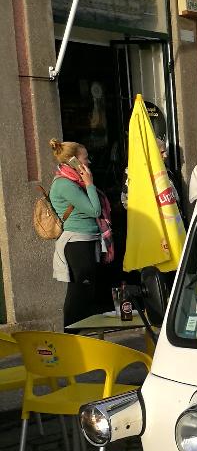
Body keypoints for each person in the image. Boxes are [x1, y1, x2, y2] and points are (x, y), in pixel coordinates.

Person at [49, 139, 113, 329]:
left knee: (88, 289)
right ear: (73, 161)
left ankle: (82, 331)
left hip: (87, 240)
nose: (89, 162)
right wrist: (90, 183)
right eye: (85, 158)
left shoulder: (74, 182)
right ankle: (70, 332)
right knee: (79, 289)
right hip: (77, 241)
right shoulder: (65, 184)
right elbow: (94, 210)